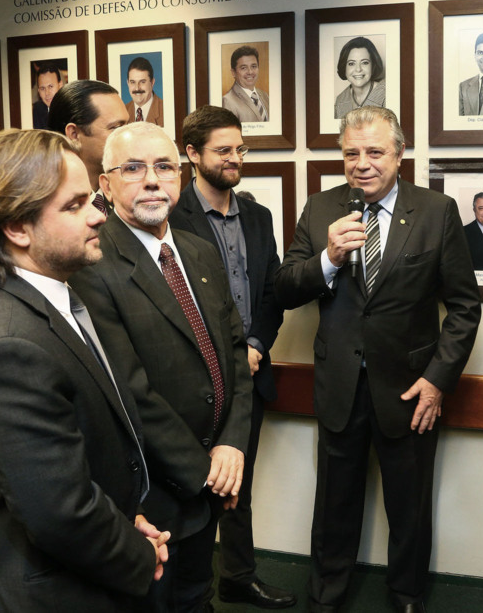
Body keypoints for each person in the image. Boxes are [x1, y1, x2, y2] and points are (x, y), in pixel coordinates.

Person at [0, 129, 169, 611]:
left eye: (92, 198)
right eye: (74, 205)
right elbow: (60, 513)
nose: (96, 215)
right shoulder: (5, 346)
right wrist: (137, 552)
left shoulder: (51, 297)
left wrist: (127, 520)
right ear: (17, 228)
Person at [276, 106, 480, 613]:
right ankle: (326, 595)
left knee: (408, 506)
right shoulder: (321, 208)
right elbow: (283, 288)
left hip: (411, 390)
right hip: (340, 383)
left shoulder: (437, 211)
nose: (362, 163)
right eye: (351, 153)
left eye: (374, 152)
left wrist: (437, 381)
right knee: (333, 504)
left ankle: (407, 594)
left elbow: (464, 307)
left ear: (399, 154)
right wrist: (328, 259)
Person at [69, 121, 253, 612]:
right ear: (104, 185)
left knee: (197, 596)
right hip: (152, 496)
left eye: (164, 166)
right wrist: (208, 474)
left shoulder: (197, 249)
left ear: (182, 174)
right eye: (133, 168)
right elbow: (130, 392)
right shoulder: (92, 265)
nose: (152, 180)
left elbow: (235, 353)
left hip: (213, 476)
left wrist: (232, 444)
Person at [168, 105, 295, 609]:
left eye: (239, 149)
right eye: (223, 151)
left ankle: (238, 576)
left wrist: (257, 347)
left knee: (237, 482)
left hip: (249, 376)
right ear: (192, 154)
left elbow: (271, 293)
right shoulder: (171, 218)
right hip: (190, 380)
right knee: (188, 485)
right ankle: (182, 586)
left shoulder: (258, 217)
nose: (235, 158)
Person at [47, 79, 129, 213]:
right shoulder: (48, 206)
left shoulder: (130, 192)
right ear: (74, 134)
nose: (127, 136)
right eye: (116, 128)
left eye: (127, 126)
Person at [333, 36, 386, 119]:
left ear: (373, 65)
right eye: (351, 63)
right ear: (344, 67)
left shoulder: (386, 94)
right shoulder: (340, 100)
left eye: (365, 63)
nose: (358, 69)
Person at [222, 46, 271, 123]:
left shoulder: (265, 95)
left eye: (253, 66)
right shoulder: (227, 101)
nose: (250, 72)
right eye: (243, 68)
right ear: (233, 72)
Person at [126, 56, 164, 126]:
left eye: (142, 82)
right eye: (133, 82)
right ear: (128, 83)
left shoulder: (165, 110)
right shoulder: (123, 112)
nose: (137, 88)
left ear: (152, 82)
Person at [32, 63, 64, 129]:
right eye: (42, 88)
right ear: (38, 91)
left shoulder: (72, 108)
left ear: (60, 85)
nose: (47, 93)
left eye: (50, 86)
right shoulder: (37, 110)